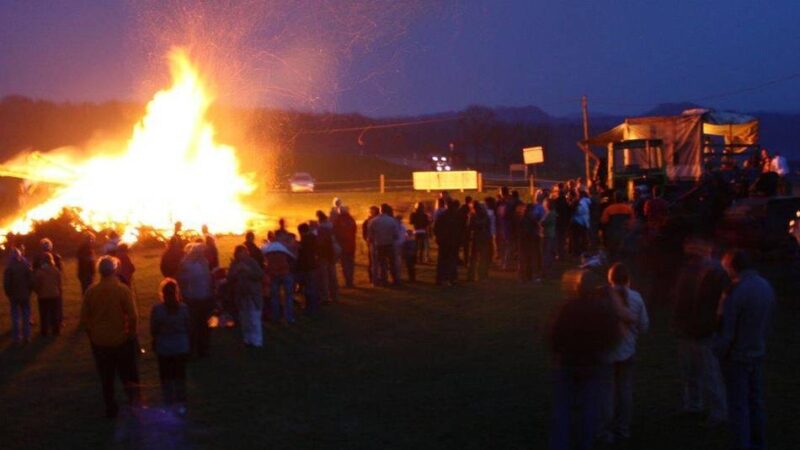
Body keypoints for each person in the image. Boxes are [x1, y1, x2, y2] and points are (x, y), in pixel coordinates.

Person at [549, 270, 623, 450]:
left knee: (563, 409)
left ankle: (561, 443)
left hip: (568, 363)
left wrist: (559, 352)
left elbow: (554, 335)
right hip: (592, 364)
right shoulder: (603, 310)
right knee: (589, 408)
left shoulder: (567, 308)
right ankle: (585, 443)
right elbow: (614, 336)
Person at [714, 249, 775, 450]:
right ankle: (759, 441)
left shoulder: (737, 291)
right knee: (755, 401)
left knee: (738, 405)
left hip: (737, 356)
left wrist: (720, 351)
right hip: (757, 351)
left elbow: (728, 329)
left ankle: (741, 443)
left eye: (726, 267)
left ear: (733, 267)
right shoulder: (765, 286)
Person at [673, 240, 729, 426]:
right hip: (688, 329)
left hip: (705, 330)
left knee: (710, 373)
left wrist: (714, 324)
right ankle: (693, 405)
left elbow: (720, 303)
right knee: (690, 371)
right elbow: (680, 299)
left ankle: (718, 411)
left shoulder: (717, 276)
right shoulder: (688, 273)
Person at [80, 256, 141, 418]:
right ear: (114, 270)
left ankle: (110, 408)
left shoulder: (91, 291)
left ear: (100, 271)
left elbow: (85, 319)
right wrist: (131, 334)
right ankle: (134, 404)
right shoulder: (122, 290)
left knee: (106, 378)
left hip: (100, 342)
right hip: (121, 340)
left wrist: (92, 336)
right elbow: (133, 316)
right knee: (127, 374)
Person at [600, 263, 649, 444]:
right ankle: (623, 428)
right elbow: (644, 326)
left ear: (610, 279)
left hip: (606, 353)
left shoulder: (601, 298)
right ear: (628, 279)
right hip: (627, 352)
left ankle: (606, 431)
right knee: (625, 392)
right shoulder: (636, 298)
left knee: (607, 393)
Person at [150, 278, 190, 414]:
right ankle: (181, 403)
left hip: (164, 348)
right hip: (180, 346)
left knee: (166, 377)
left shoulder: (157, 310)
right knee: (179, 376)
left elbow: (153, 329)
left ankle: (168, 402)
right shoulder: (183, 309)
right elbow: (189, 327)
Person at [177, 243, 214, 357]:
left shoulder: (203, 263)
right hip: (192, 299)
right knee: (193, 325)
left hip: (204, 298)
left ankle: (202, 349)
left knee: (203, 325)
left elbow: (208, 279)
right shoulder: (186, 264)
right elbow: (181, 281)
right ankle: (192, 349)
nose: (202, 254)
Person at [227, 245, 265, 347]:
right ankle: (247, 339)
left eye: (244, 252)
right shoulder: (235, 264)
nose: (243, 255)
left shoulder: (252, 262)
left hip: (253, 294)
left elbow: (260, 275)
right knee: (244, 319)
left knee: (254, 317)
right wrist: (236, 271)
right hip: (241, 294)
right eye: (240, 253)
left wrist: (248, 270)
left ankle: (257, 340)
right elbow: (229, 277)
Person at [3, 247, 33, 344]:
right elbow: (31, 280)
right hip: (25, 294)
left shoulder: (9, 267)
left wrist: (8, 293)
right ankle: (27, 336)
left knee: (15, 316)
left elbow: (6, 283)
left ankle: (16, 337)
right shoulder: (26, 265)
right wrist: (29, 291)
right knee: (26, 315)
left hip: (14, 295)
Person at [265, 236, 296, 324]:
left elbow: (267, 263)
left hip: (274, 275)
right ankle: (289, 317)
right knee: (288, 297)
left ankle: (276, 317)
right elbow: (291, 259)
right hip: (285, 273)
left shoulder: (268, 252)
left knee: (275, 297)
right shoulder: (284, 250)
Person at [368, 204, 400, 286]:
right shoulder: (392, 220)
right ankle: (395, 280)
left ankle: (383, 280)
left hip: (378, 245)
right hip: (389, 244)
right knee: (392, 263)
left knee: (381, 264)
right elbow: (396, 234)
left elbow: (370, 236)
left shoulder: (373, 221)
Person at [33, 252, 62, 336]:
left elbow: (36, 284)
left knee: (44, 314)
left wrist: (38, 291)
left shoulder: (39, 272)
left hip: (43, 296)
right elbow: (59, 282)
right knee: (54, 313)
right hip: (54, 294)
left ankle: (44, 331)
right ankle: (56, 330)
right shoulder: (56, 270)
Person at [434, 199, 460, 285]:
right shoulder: (453, 216)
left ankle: (442, 278)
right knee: (449, 260)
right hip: (449, 241)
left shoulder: (443, 216)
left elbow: (436, 228)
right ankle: (449, 278)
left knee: (443, 260)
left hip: (444, 241)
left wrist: (438, 237)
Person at [296, 223, 320, 315]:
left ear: (301, 232)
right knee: (313, 287)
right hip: (313, 265)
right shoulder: (313, 238)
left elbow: (301, 254)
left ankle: (310, 308)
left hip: (305, 266)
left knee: (308, 288)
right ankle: (315, 305)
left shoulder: (304, 241)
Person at [315, 211, 339, 302]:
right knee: (333, 275)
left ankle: (325, 296)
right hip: (331, 253)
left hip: (322, 254)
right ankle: (335, 295)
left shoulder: (320, 229)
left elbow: (318, 243)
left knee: (324, 277)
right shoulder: (330, 226)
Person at [467, 202, 492, 281]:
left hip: (477, 238)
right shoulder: (485, 216)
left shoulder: (473, 216)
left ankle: (473, 275)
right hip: (483, 238)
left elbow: (470, 227)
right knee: (483, 257)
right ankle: (482, 275)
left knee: (474, 258)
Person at [333, 206, 357, 288]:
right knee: (351, 264)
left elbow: (335, 232)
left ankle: (348, 281)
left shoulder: (338, 220)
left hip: (342, 246)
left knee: (345, 264)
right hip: (351, 245)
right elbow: (354, 230)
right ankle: (351, 280)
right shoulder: (351, 219)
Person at [363, 206, 380, 284]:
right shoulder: (367, 221)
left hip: (378, 242)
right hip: (372, 243)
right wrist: (368, 241)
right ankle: (372, 277)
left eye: (373, 211)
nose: (371, 212)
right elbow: (364, 233)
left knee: (378, 261)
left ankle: (377, 277)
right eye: (370, 211)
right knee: (372, 261)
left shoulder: (377, 220)